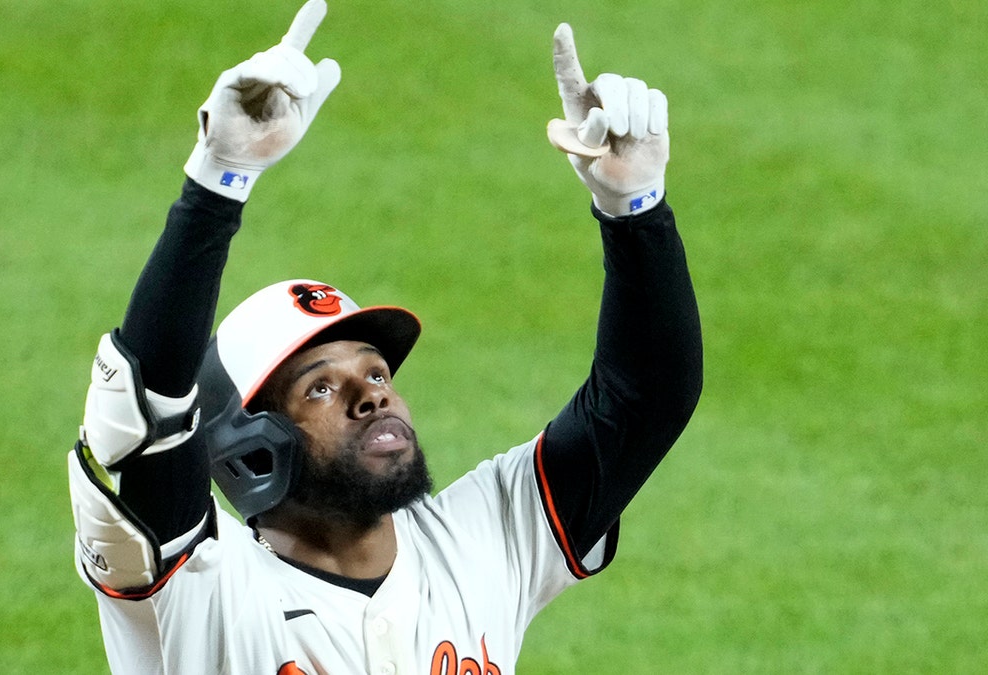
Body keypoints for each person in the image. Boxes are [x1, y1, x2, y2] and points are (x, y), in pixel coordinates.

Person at [67, 1, 702, 672]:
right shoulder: (202, 596)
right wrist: (218, 179)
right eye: (320, 387)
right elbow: (143, 409)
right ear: (250, 452)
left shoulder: (482, 537)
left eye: (375, 373)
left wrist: (635, 209)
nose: (370, 395)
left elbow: (647, 397)